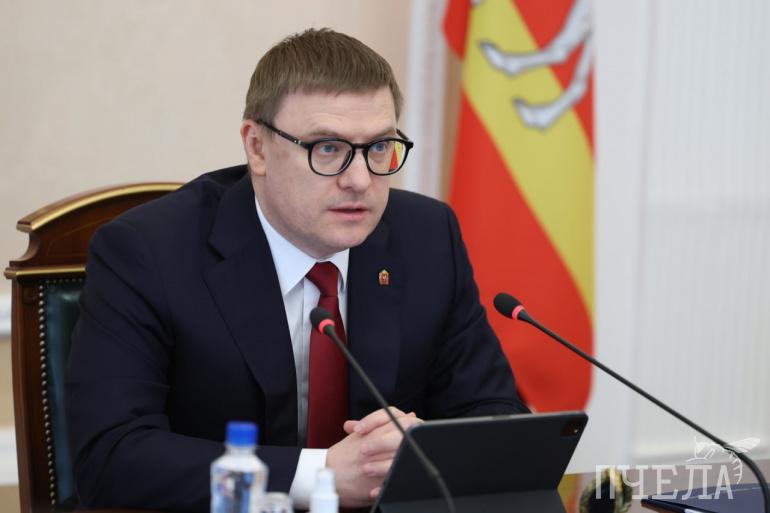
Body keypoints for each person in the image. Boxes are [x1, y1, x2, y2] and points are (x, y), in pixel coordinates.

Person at [66, 28, 528, 512]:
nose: (359, 180)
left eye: (378, 147)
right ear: (257, 148)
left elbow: (496, 413)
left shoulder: (427, 237)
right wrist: (322, 475)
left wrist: (424, 448)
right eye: (327, 148)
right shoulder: (147, 252)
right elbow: (111, 455)